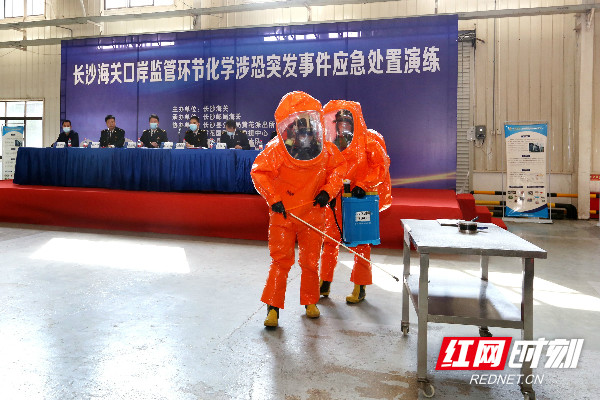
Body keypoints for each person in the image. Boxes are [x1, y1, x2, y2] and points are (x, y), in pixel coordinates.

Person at [251, 91, 347, 328]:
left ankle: (310, 301)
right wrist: (273, 198)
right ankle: (272, 309)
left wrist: (327, 191)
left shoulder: (326, 151)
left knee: (310, 261)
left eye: (308, 124)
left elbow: (339, 169)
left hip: (313, 214)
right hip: (283, 214)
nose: (305, 131)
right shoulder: (276, 150)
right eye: (299, 125)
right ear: (290, 127)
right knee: (281, 262)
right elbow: (259, 172)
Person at [319, 100, 391, 304]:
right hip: (336, 199)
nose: (343, 125)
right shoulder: (332, 144)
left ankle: (360, 287)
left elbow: (380, 166)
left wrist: (364, 185)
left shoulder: (369, 141)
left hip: (359, 200)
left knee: (361, 243)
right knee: (329, 241)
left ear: (354, 121)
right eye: (339, 121)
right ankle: (324, 282)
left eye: (346, 121)